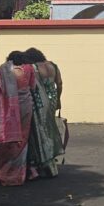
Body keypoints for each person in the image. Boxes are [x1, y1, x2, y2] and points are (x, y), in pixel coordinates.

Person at [0, 51, 37, 186]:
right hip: (26, 107)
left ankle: (3, 171)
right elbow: (33, 87)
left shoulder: (3, 71)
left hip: (7, 108)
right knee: (22, 138)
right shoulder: (28, 70)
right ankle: (18, 173)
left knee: (8, 138)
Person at [24, 48, 65, 179]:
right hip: (52, 98)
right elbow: (59, 83)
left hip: (40, 101)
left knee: (40, 131)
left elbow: (32, 86)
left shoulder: (34, 67)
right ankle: (51, 159)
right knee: (50, 127)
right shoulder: (53, 66)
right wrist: (58, 99)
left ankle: (43, 159)